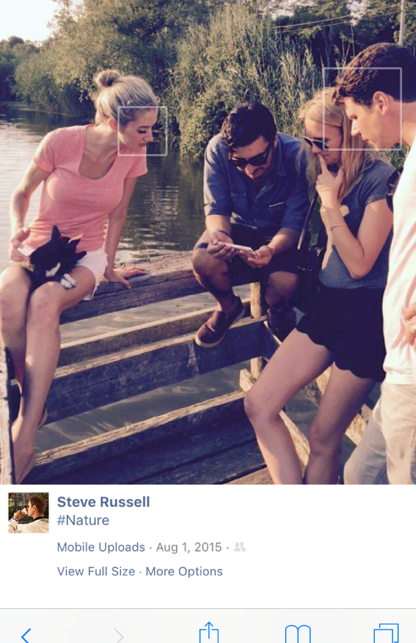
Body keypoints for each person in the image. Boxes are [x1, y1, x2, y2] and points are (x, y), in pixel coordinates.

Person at [0, 69, 158, 484]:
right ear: (113, 123)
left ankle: (25, 433)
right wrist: (17, 227)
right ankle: (25, 390)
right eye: (143, 130)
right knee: (8, 297)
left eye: (152, 128)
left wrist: (106, 264)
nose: (150, 138)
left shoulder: (133, 154)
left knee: (43, 302)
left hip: (85, 255)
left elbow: (119, 214)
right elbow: (21, 192)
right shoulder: (61, 141)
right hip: (39, 247)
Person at [244, 89, 394, 484]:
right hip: (326, 308)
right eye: (309, 140)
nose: (313, 151)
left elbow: (361, 264)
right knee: (259, 403)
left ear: (353, 133)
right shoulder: (320, 170)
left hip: (365, 320)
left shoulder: (381, 181)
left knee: (322, 437)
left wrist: (329, 206)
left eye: (322, 142)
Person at [334, 43, 416, 485]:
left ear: (381, 103)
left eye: (353, 115)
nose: (353, 128)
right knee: (359, 477)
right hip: (401, 366)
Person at [192, 102, 310, 347]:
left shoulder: (299, 157)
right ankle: (228, 308)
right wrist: (220, 235)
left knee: (285, 283)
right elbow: (216, 209)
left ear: (274, 140)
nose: (249, 169)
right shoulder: (217, 149)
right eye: (239, 162)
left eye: (258, 159)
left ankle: (277, 312)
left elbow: (293, 225)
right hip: (238, 228)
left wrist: (272, 250)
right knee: (203, 260)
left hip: (280, 236)